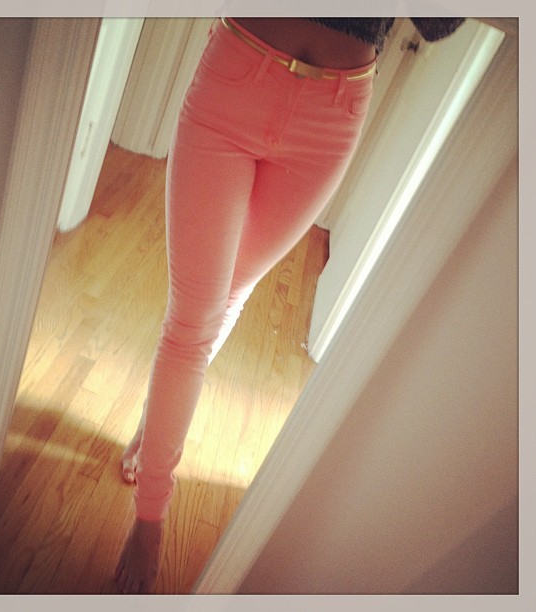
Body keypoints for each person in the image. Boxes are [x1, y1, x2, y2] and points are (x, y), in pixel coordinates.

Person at [114, 16, 465, 594]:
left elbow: (438, 21)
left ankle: (153, 431)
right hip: (238, 73)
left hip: (333, 114)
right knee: (192, 321)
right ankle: (151, 516)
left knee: (230, 295)